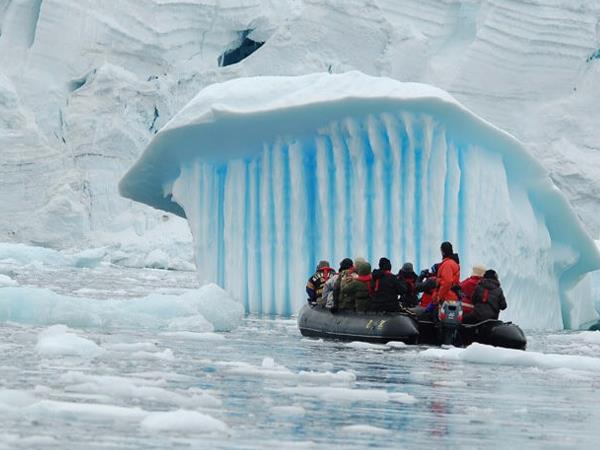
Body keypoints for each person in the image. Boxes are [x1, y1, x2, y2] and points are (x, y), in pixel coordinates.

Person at [431, 241, 461, 312]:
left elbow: (447, 282)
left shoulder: (447, 264)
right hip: (451, 297)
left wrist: (439, 297)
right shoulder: (453, 263)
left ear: (443, 251)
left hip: (446, 298)